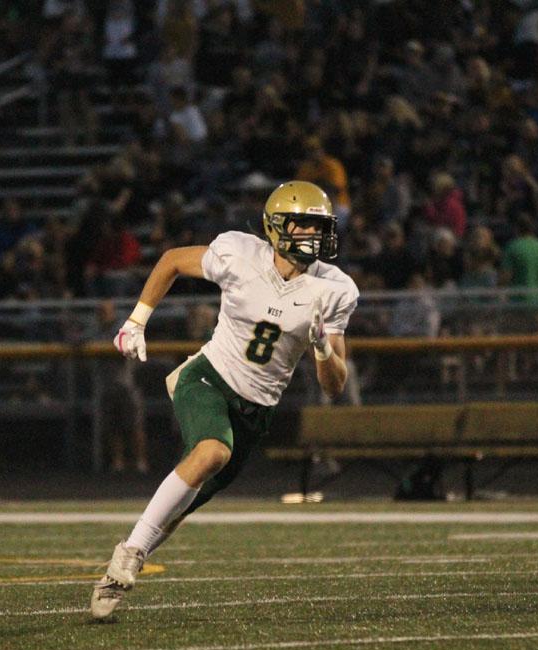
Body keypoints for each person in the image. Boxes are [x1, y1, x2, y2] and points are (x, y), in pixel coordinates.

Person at [89, 181, 358, 620]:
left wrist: (323, 349)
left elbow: (334, 386)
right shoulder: (240, 253)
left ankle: (119, 570)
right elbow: (172, 260)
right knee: (212, 450)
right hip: (209, 378)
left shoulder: (334, 289)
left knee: (180, 507)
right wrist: (137, 319)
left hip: (257, 409)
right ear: (277, 226)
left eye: (319, 227)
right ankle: (129, 552)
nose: (314, 236)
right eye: (304, 225)